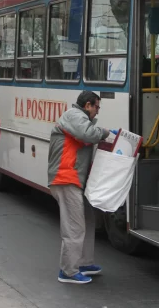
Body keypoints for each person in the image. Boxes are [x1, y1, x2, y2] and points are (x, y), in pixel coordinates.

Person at [47, 91, 113, 284]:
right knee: (74, 227)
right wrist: (107, 132)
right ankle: (67, 271)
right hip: (65, 178)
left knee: (87, 219)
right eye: (97, 107)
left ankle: (83, 262)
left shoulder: (79, 119)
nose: (97, 111)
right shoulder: (74, 116)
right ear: (87, 106)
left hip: (74, 180)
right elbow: (89, 134)